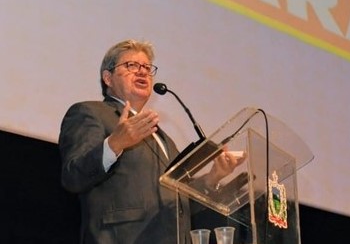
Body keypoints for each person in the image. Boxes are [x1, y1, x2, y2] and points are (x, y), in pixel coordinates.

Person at [59, 39, 244, 244]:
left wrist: (212, 178)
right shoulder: (90, 113)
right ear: (108, 78)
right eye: (131, 65)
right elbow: (73, 176)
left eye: (147, 68)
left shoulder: (164, 140)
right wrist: (115, 144)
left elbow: (178, 201)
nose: (142, 72)